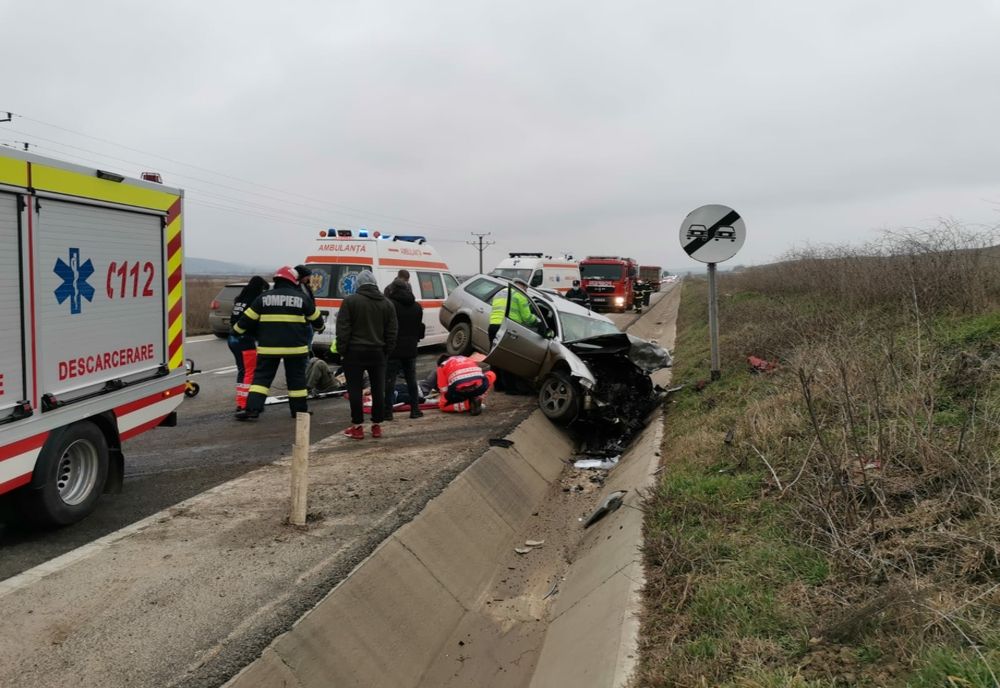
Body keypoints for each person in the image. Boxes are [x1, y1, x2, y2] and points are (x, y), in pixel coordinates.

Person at [233, 266, 324, 421]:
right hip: (296, 349)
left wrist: (236, 331)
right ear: (293, 280)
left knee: (261, 380)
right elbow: (317, 320)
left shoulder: (263, 297)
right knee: (296, 381)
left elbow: (245, 320)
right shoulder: (301, 298)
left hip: (269, 349)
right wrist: (320, 328)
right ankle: (299, 412)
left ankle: (252, 410)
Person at [336, 269, 398, 440]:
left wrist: (342, 350)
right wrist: (387, 351)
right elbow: (392, 332)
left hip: (354, 353)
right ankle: (377, 426)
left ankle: (357, 427)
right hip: (378, 353)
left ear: (358, 284)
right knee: (379, 389)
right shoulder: (387, 304)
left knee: (355, 390)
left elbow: (343, 329)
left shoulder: (350, 302)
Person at [383, 277, 424, 420]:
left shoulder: (389, 305)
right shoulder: (417, 307)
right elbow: (420, 330)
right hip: (411, 349)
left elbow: (386, 328)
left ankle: (388, 412)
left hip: (393, 350)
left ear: (393, 289)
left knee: (389, 381)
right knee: (411, 380)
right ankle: (415, 410)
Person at [488, 278, 538, 394]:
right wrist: (537, 321)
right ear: (522, 286)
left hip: (493, 326)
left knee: (495, 357)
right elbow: (527, 317)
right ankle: (511, 388)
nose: (526, 291)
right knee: (508, 359)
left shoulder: (500, 292)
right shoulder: (520, 296)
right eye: (526, 289)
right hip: (506, 328)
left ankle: (498, 385)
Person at [228, 276, 269, 412]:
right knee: (249, 372)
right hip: (244, 339)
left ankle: (241, 401)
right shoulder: (253, 301)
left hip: (233, 339)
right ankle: (245, 404)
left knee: (243, 371)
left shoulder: (241, 299)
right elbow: (252, 322)